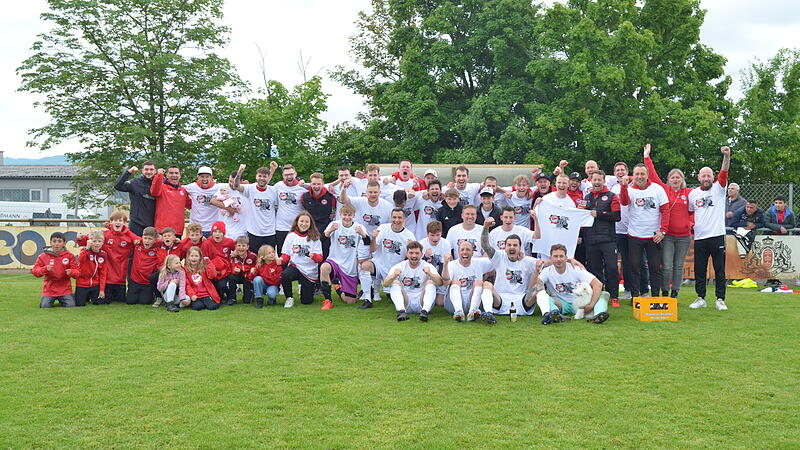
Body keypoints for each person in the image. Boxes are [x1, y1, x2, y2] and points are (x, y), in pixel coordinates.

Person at [643, 144, 694, 298]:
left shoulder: (689, 192)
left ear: (682, 179)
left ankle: (675, 292)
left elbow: (694, 211)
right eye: (673, 177)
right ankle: (665, 291)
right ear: (669, 180)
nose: (675, 179)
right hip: (668, 235)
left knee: (678, 266)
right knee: (666, 266)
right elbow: (652, 175)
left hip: (684, 236)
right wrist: (647, 157)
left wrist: (691, 224)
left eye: (678, 177)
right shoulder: (664, 189)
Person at [688, 146, 732, 310]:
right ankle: (701, 298)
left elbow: (724, 172)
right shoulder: (693, 194)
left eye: (709, 175)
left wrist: (726, 156)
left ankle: (720, 299)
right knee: (699, 270)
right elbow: (690, 213)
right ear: (699, 177)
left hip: (717, 235)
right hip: (700, 238)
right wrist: (691, 225)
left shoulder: (719, 189)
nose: (706, 178)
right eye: (703, 175)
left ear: (712, 177)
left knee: (719, 270)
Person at [619, 162, 670, 298]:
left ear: (647, 175)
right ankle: (636, 297)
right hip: (635, 235)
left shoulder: (657, 189)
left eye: (642, 174)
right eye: (637, 174)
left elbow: (665, 211)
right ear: (633, 175)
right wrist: (623, 186)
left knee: (654, 268)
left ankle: (654, 297)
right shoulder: (629, 189)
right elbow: (624, 202)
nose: (640, 177)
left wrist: (662, 231)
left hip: (654, 236)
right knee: (634, 267)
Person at [533, 244, 610, 324]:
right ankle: (555, 314)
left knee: (603, 294)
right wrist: (537, 271)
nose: (558, 259)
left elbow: (598, 284)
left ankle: (598, 315)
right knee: (543, 296)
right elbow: (535, 285)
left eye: (561, 256)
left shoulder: (575, 269)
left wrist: (591, 304)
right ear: (550, 258)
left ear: (566, 258)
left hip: (581, 302)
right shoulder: (547, 271)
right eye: (555, 256)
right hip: (562, 303)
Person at [479, 223, 539, 323]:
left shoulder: (527, 260)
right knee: (486, 284)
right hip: (500, 300)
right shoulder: (499, 257)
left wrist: (567, 260)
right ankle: (489, 313)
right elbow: (485, 246)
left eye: (515, 245)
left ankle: (547, 313)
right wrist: (485, 227)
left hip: (522, 301)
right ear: (504, 247)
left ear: (520, 248)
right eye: (509, 245)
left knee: (539, 286)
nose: (512, 247)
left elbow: (546, 263)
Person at [76, 210, 139, 303]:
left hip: (120, 278)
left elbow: (140, 242)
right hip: (107, 279)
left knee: (121, 301)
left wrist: (128, 233)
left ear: (125, 223)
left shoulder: (129, 238)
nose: (118, 222)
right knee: (105, 301)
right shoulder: (104, 235)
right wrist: (80, 238)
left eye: (120, 220)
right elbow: (90, 239)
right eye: (115, 220)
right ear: (111, 222)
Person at [358, 208, 416, 309]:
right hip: (379, 265)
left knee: (395, 297)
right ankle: (367, 299)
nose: (396, 220)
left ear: (404, 219)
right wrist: (375, 238)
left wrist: (409, 250)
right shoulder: (383, 228)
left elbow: (412, 260)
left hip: (395, 271)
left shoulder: (409, 235)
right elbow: (372, 250)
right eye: (394, 217)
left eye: (399, 217)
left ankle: (387, 292)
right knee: (365, 266)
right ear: (391, 218)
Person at [611, 162, 650, 297]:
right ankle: (628, 289)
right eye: (617, 170)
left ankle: (644, 289)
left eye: (622, 170)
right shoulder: (613, 188)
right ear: (614, 173)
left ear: (627, 172)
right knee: (626, 262)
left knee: (641, 261)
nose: (620, 172)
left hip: (635, 230)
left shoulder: (635, 186)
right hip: (619, 231)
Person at [583, 170, 621, 307]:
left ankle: (614, 296)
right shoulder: (587, 197)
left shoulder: (612, 196)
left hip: (608, 239)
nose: (597, 182)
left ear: (604, 180)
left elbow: (617, 216)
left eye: (599, 180)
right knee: (594, 269)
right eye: (595, 180)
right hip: (591, 239)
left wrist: (598, 214)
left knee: (611, 268)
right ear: (591, 181)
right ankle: (599, 295)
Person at [320, 204, 369, 308]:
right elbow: (322, 238)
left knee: (350, 301)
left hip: (350, 266)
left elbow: (368, 242)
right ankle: (328, 300)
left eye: (349, 215)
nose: (347, 217)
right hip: (335, 261)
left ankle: (338, 289)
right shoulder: (334, 224)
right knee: (324, 268)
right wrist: (330, 230)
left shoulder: (359, 227)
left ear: (354, 215)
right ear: (340, 214)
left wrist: (363, 234)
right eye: (344, 215)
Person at [382, 241, 443, 322]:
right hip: (405, 301)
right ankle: (401, 311)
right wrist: (394, 276)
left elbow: (440, 283)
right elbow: (385, 284)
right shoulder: (400, 266)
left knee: (430, 283)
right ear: (407, 254)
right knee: (395, 283)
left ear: (421, 254)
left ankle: (425, 312)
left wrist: (430, 274)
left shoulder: (427, 266)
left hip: (422, 300)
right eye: (411, 253)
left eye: (417, 253)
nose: (414, 256)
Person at [280, 211, 323, 307]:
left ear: (310, 223)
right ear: (297, 222)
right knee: (285, 275)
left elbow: (320, 258)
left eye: (307, 222)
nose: (304, 224)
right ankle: (289, 298)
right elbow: (286, 255)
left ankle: (309, 289)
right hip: (295, 266)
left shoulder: (315, 237)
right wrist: (280, 260)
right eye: (302, 221)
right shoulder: (291, 236)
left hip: (309, 271)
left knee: (306, 301)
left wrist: (313, 255)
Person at [441, 240, 493, 321]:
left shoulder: (479, 262)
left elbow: (498, 259)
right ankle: (458, 311)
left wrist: (518, 255)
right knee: (455, 282)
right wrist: (445, 264)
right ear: (458, 253)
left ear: (473, 253)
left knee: (479, 282)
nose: (465, 252)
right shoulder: (451, 265)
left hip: (472, 299)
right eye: (462, 250)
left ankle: (472, 312)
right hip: (452, 304)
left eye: (468, 249)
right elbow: (445, 282)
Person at [235, 163, 279, 253]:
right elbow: (236, 186)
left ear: (268, 177)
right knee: (254, 258)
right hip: (254, 232)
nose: (262, 178)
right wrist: (239, 172)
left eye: (264, 176)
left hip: (269, 232)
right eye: (260, 176)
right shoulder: (250, 189)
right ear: (256, 176)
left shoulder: (273, 190)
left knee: (268, 258)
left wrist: (272, 169)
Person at [32, 231, 78, 308]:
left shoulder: (70, 256)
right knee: (44, 306)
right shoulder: (43, 256)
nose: (57, 244)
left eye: (59, 241)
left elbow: (77, 272)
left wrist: (72, 272)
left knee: (71, 305)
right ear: (50, 243)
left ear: (64, 243)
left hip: (65, 289)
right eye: (54, 241)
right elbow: (35, 271)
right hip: (49, 290)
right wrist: (45, 269)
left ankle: (70, 296)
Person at [114, 161, 157, 236]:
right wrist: (128, 172)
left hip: (152, 224)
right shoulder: (135, 183)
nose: (149, 172)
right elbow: (118, 186)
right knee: (135, 246)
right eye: (146, 169)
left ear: (155, 171)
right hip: (136, 223)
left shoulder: (159, 184)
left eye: (151, 169)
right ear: (142, 170)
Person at [273, 164, 308, 254]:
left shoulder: (303, 188)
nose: (289, 176)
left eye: (291, 174)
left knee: (297, 253)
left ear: (295, 174)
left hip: (298, 227)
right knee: (282, 254)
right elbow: (273, 202)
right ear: (283, 176)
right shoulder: (278, 186)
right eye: (286, 175)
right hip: (281, 227)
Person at [301, 172, 337, 259]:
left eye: (318, 184)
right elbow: (304, 210)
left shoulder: (330, 196)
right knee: (310, 254)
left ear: (323, 184)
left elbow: (335, 208)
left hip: (325, 230)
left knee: (324, 255)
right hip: (310, 230)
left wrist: (333, 213)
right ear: (310, 184)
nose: (316, 186)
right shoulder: (305, 196)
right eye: (314, 184)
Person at [200, 221, 235, 305]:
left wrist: (234, 256)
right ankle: (221, 296)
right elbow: (204, 259)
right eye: (215, 232)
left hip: (224, 271)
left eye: (220, 232)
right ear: (212, 233)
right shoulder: (207, 243)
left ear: (224, 233)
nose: (217, 234)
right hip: (212, 271)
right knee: (213, 289)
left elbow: (238, 250)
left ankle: (230, 296)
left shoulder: (229, 242)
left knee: (221, 285)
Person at [127, 226, 164, 305]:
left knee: (145, 302)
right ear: (142, 237)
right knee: (130, 301)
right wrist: (110, 226)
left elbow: (168, 241)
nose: (147, 241)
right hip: (135, 280)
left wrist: (175, 240)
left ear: (155, 240)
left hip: (147, 282)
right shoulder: (138, 244)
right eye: (145, 238)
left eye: (150, 239)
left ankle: (153, 294)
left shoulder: (157, 247)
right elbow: (128, 232)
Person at [420, 220, 453, 308]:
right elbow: (418, 264)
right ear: (427, 234)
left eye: (438, 235)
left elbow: (444, 264)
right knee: (426, 301)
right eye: (432, 235)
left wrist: (439, 280)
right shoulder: (422, 243)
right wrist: (425, 257)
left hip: (439, 275)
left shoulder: (445, 243)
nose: (435, 238)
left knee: (440, 303)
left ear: (441, 233)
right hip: (426, 276)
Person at [150, 166, 190, 236]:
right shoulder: (162, 187)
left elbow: (191, 205)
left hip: (177, 230)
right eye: (171, 173)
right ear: (167, 175)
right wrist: (159, 175)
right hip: (162, 230)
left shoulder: (183, 190)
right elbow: (154, 192)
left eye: (176, 173)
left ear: (180, 176)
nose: (174, 175)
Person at [211, 166, 250, 239]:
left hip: (241, 230)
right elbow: (213, 200)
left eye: (233, 182)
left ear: (241, 181)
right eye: (230, 181)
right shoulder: (225, 188)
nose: (231, 184)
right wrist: (229, 209)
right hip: (226, 230)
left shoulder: (246, 189)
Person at [183, 166, 220, 236]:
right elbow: (178, 189)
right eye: (202, 177)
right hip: (195, 228)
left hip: (212, 228)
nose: (204, 179)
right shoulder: (192, 187)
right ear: (198, 177)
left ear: (211, 177)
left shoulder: (218, 188)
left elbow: (233, 187)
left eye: (207, 177)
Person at [74, 230, 108, 306]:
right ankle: (76, 295)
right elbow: (80, 260)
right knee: (80, 304)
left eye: (99, 241)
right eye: (94, 241)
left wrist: (102, 290)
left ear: (103, 242)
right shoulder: (85, 251)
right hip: (82, 284)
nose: (97, 243)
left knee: (99, 302)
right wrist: (87, 248)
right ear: (90, 241)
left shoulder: (103, 255)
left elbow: (103, 273)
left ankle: (90, 296)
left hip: (95, 285)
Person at [183, 246, 220, 311]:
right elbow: (187, 285)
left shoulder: (204, 267)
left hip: (206, 293)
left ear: (200, 258)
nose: (194, 258)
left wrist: (208, 262)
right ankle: (198, 303)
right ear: (188, 257)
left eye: (196, 256)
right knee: (198, 307)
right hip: (196, 295)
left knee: (213, 307)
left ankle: (208, 301)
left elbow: (213, 275)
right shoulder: (186, 270)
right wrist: (192, 295)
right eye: (192, 256)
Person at [229, 236, 257, 305]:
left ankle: (250, 295)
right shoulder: (233, 256)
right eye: (239, 245)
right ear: (235, 246)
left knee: (247, 301)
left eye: (243, 246)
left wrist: (243, 269)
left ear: (247, 247)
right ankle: (232, 298)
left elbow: (256, 267)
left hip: (248, 277)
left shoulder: (253, 256)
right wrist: (235, 270)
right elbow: (231, 267)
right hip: (237, 276)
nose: (241, 248)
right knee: (231, 277)